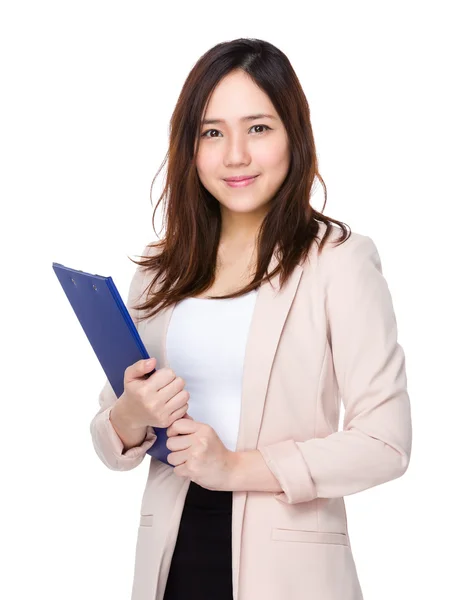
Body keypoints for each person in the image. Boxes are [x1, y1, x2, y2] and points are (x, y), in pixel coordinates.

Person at [90, 38, 412, 600]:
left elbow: (386, 444)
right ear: (190, 147)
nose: (235, 154)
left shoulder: (339, 261)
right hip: (171, 559)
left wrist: (237, 468)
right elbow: (110, 438)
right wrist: (128, 414)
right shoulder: (162, 272)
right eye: (212, 132)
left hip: (287, 574)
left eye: (258, 128)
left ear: (294, 136)